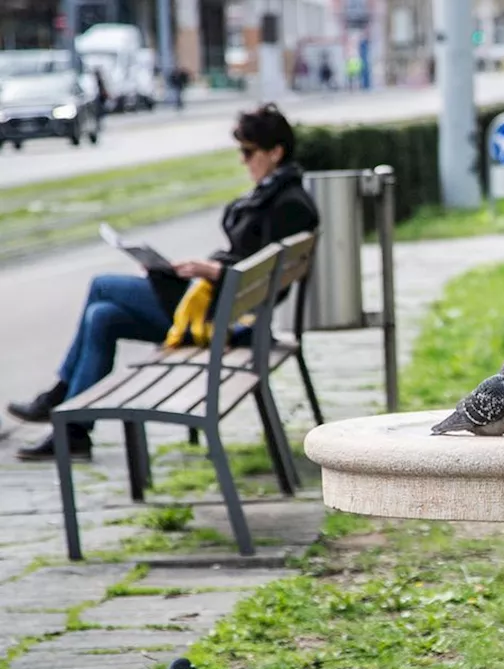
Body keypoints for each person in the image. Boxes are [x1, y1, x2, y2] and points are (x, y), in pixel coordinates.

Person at [6, 105, 320, 462]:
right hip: (223, 307)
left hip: (223, 321)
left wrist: (212, 271)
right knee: (103, 317)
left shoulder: (289, 203)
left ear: (275, 152)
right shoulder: (277, 193)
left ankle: (58, 397)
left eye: (248, 152)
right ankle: (74, 432)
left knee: (102, 285)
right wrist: (191, 270)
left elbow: (266, 280)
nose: (242, 161)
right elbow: (253, 262)